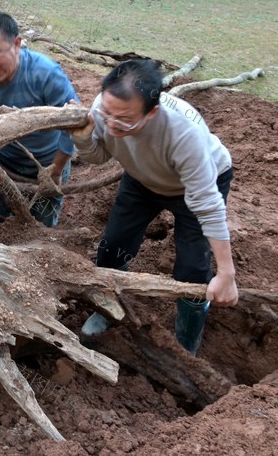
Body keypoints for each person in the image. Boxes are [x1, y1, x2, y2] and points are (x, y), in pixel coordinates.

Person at [72, 59, 238, 355]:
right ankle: (109, 308)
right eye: (107, 115)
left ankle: (187, 342)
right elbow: (99, 156)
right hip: (142, 179)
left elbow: (208, 205)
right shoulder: (105, 107)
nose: (111, 125)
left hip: (194, 187)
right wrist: (83, 140)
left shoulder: (184, 135)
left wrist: (226, 273)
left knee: (191, 268)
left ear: (152, 113)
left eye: (123, 120)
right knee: (113, 245)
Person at [0, 13, 78, 226]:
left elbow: (73, 122)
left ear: (17, 44)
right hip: (3, 165)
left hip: (48, 163)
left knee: (41, 228)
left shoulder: (45, 73)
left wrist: (55, 171)